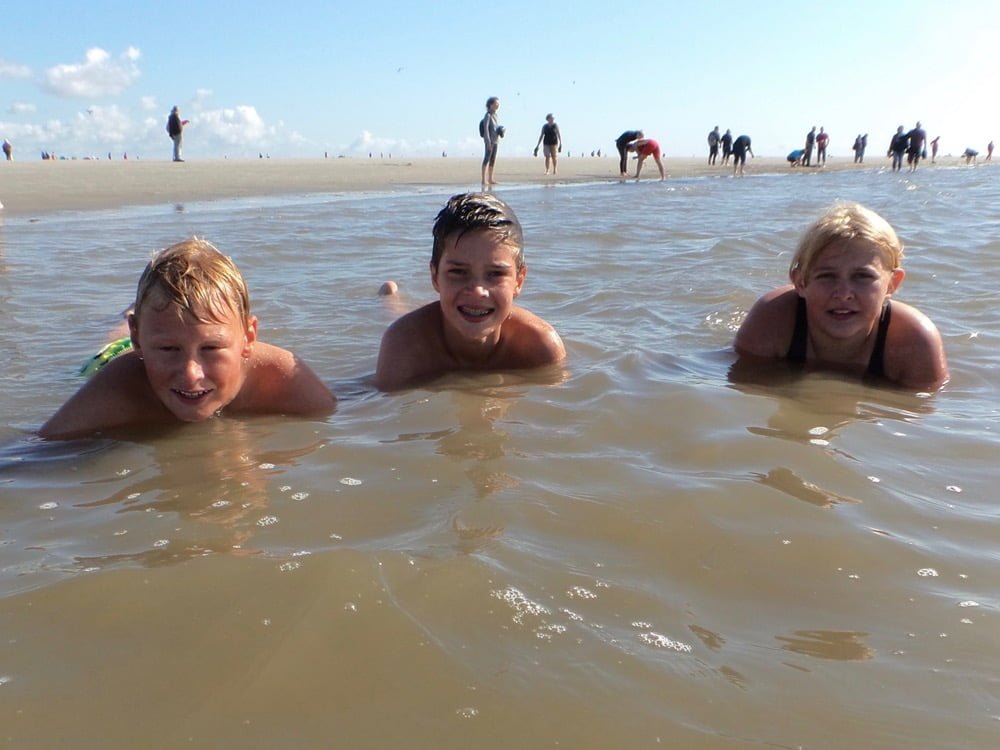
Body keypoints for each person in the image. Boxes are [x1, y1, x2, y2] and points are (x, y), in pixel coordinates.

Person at [40, 238, 336, 439]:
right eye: (169, 349)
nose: (190, 373)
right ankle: (124, 323)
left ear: (248, 337)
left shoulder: (282, 377)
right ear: (139, 339)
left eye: (210, 348)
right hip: (111, 356)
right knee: (110, 342)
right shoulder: (118, 387)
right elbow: (37, 452)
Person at [733, 202, 948, 390]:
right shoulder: (772, 320)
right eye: (827, 276)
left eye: (862, 276)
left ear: (893, 283)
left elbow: (920, 413)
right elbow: (743, 388)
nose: (844, 294)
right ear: (800, 282)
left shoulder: (915, 341)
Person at [375, 192, 566, 391]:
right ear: (435, 276)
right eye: (458, 272)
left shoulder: (540, 347)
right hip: (425, 324)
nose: (477, 291)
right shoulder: (404, 345)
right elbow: (373, 401)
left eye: (495, 273)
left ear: (519, 281)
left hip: (445, 312)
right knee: (398, 313)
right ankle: (389, 298)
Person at [480, 97, 503, 187]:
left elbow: (495, 127)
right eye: (496, 103)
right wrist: (488, 141)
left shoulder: (495, 115)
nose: (498, 105)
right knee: (487, 159)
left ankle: (490, 178)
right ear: (491, 105)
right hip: (489, 141)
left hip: (496, 140)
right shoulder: (488, 115)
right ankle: (483, 179)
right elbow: (486, 129)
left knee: (493, 160)